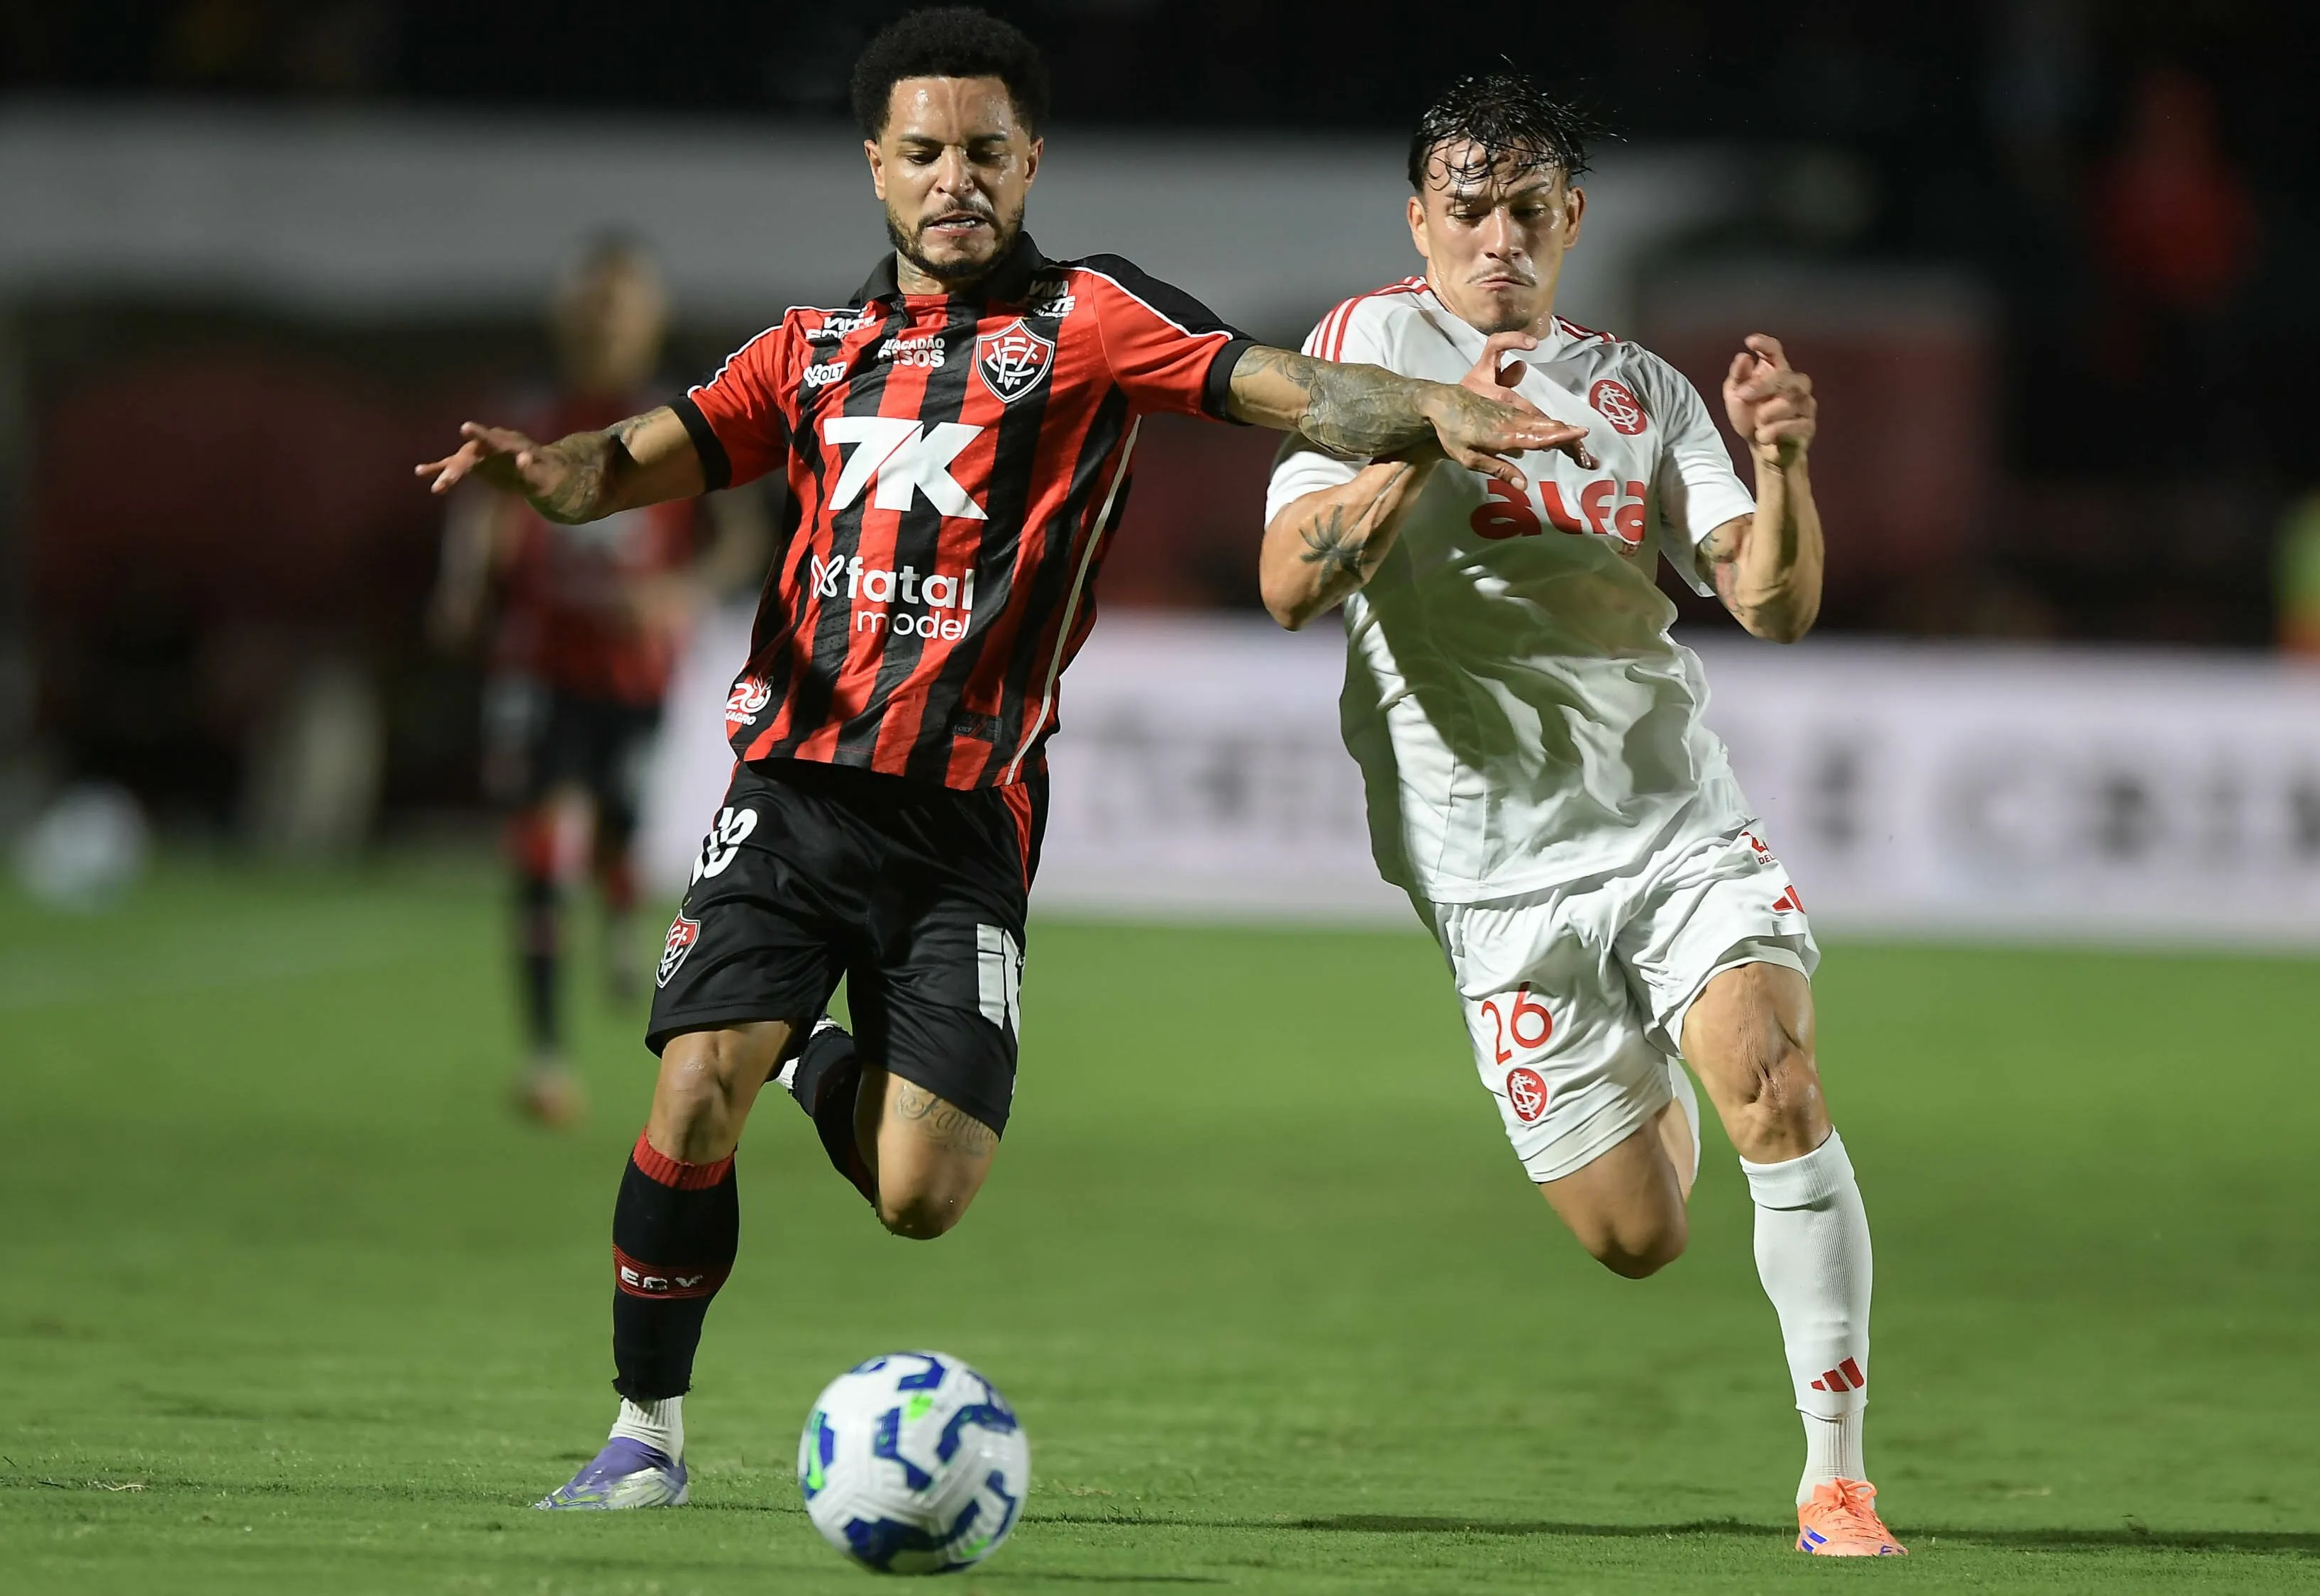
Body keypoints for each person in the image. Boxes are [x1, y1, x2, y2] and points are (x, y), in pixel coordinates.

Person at [414, 7, 1592, 1512]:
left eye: (982, 150)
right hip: (791, 789)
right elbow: (620, 465)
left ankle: (803, 1065)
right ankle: (645, 1434)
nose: (952, 177)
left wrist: (1429, 412)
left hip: (965, 823)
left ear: (1029, 159)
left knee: (922, 1196)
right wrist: (537, 480)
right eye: (921, 152)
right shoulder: (808, 351)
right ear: (875, 167)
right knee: (692, 1086)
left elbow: (1282, 386)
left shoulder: (1088, 323)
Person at [1258, 74, 1898, 1558]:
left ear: (1570, 222)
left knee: (1777, 1084)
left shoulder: (1641, 392)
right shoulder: (1364, 353)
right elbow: (1290, 583)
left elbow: (1770, 603)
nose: (1498, 242)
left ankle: (1835, 1478)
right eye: (1468, 210)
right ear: (1418, 219)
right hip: (1490, 874)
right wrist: (1426, 438)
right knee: (1635, 1237)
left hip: (1671, 823)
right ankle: (1647, 1080)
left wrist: (1785, 468)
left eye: (1527, 213)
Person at [429, 237, 765, 1126]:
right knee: (538, 846)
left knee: (615, 831)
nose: (602, 320)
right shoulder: (532, 408)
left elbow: (739, 538)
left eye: (619, 305)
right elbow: (487, 499)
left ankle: (618, 919)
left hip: (635, 671)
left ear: (648, 318)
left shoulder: (680, 418)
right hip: (539, 660)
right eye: (590, 303)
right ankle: (544, 1059)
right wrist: (466, 584)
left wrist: (677, 593)